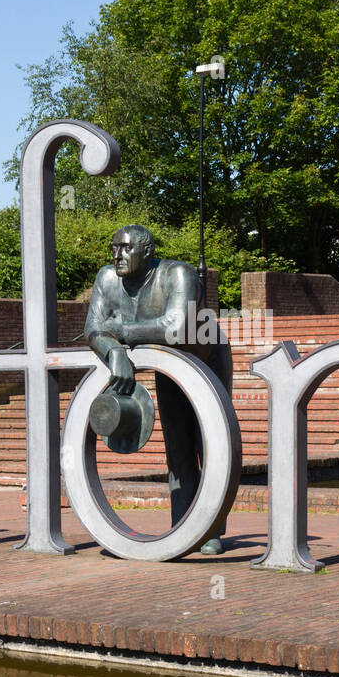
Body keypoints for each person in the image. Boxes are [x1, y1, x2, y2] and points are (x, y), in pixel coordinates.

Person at [84, 224, 233, 554]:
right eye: (114, 248)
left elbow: (176, 327)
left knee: (209, 445)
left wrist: (120, 330)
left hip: (204, 357)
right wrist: (115, 352)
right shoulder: (107, 279)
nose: (117, 255)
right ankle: (183, 527)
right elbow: (93, 327)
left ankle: (210, 529)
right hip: (169, 364)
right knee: (177, 448)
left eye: (125, 249)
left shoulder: (179, 274)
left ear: (147, 253)